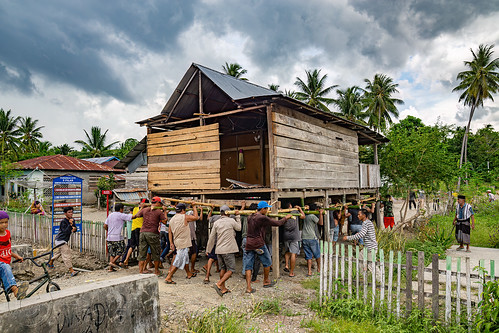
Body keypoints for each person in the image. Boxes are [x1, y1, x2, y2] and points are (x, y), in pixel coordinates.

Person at [244, 201, 292, 293]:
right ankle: (266, 281)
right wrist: (286, 218)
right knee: (267, 262)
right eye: (266, 209)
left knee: (248, 266)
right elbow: (278, 223)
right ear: (263, 209)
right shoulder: (262, 218)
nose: (267, 210)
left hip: (249, 243)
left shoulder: (250, 217)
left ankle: (248, 287)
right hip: (258, 243)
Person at [206, 205, 241, 296]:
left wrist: (208, 249)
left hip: (219, 250)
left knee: (223, 268)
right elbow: (239, 228)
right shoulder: (231, 221)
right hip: (228, 250)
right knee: (231, 269)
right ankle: (219, 284)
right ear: (228, 213)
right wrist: (238, 216)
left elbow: (212, 237)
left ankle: (223, 288)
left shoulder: (217, 223)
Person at [164, 203, 199, 284]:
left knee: (185, 258)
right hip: (183, 242)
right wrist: (194, 207)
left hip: (177, 241)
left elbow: (170, 232)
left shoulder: (172, 219)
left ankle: (188, 273)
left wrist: (171, 242)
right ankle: (169, 277)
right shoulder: (184, 217)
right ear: (183, 210)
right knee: (179, 260)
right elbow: (196, 217)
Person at [134, 196, 168, 275]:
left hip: (143, 233)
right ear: (158, 203)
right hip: (153, 233)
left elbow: (137, 215)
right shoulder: (159, 211)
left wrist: (142, 208)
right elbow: (165, 222)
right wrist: (165, 211)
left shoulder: (145, 210)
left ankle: (141, 271)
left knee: (142, 253)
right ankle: (156, 271)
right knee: (155, 252)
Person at [0, 211, 29, 300]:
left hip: (6, 262)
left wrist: (16, 256)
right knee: (5, 268)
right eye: (1, 223)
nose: (4, 225)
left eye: (6, 222)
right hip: (2, 264)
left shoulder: (8, 234)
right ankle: (16, 291)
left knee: (5, 268)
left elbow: (7, 249)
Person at [48, 206, 79, 277]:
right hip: (60, 240)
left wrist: (74, 229)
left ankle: (50, 262)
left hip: (64, 240)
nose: (71, 214)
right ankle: (72, 271)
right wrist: (70, 225)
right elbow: (65, 231)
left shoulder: (72, 220)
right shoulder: (63, 222)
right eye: (69, 212)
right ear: (65, 213)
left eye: (72, 212)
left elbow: (74, 228)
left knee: (59, 253)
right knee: (66, 253)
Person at [120, 198, 149, 268]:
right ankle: (140, 262)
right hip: (139, 229)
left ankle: (126, 260)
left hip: (133, 228)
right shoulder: (143, 210)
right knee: (140, 246)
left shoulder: (135, 208)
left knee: (132, 246)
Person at [104, 203, 132, 272]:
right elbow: (132, 217)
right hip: (117, 237)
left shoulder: (110, 215)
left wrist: (109, 230)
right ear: (120, 209)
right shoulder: (121, 215)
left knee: (112, 253)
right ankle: (112, 262)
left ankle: (111, 268)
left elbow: (105, 225)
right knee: (122, 250)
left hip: (109, 237)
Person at [302, 204, 324, 277]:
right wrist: (321, 214)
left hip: (304, 237)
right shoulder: (312, 216)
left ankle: (309, 272)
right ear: (316, 210)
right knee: (317, 254)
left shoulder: (305, 215)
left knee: (308, 255)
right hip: (312, 237)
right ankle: (319, 269)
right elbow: (321, 223)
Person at [283, 204, 304, 277]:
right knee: (293, 254)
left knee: (287, 251)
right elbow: (303, 216)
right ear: (290, 206)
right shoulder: (294, 211)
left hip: (286, 235)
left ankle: (286, 265)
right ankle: (291, 272)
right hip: (294, 236)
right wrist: (300, 209)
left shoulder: (282, 212)